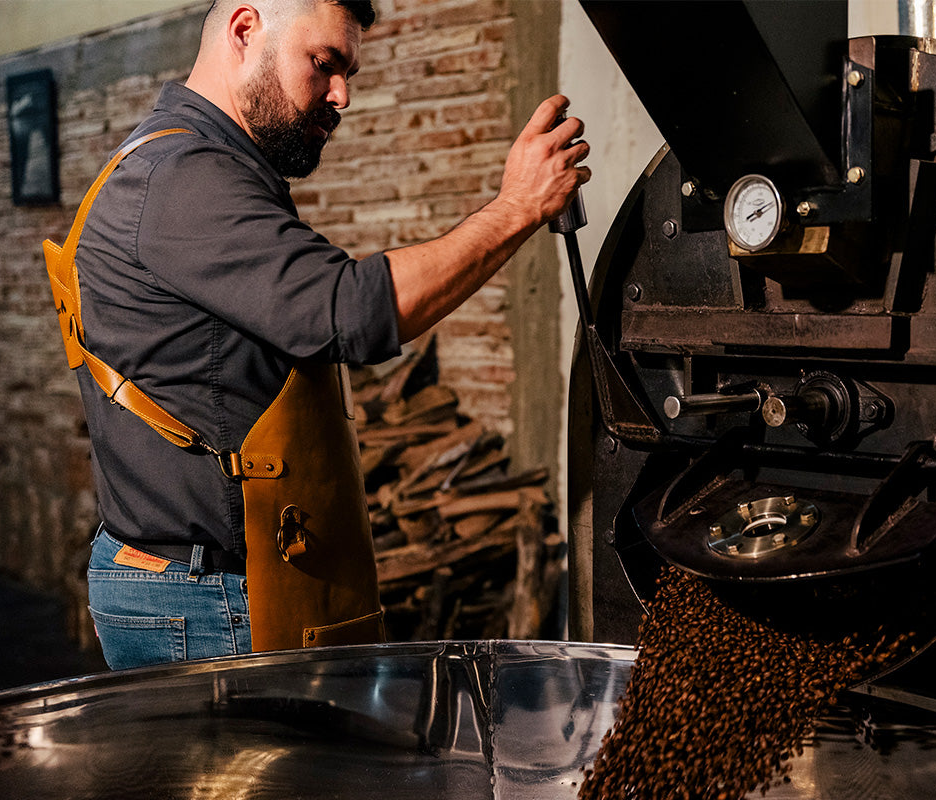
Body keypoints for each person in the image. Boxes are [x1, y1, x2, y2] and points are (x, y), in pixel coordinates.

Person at [67, 0, 590, 669]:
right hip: (205, 599)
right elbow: (344, 310)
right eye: (324, 63)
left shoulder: (188, 161)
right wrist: (515, 208)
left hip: (197, 578)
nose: (341, 95)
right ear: (246, 29)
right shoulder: (181, 178)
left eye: (348, 72)